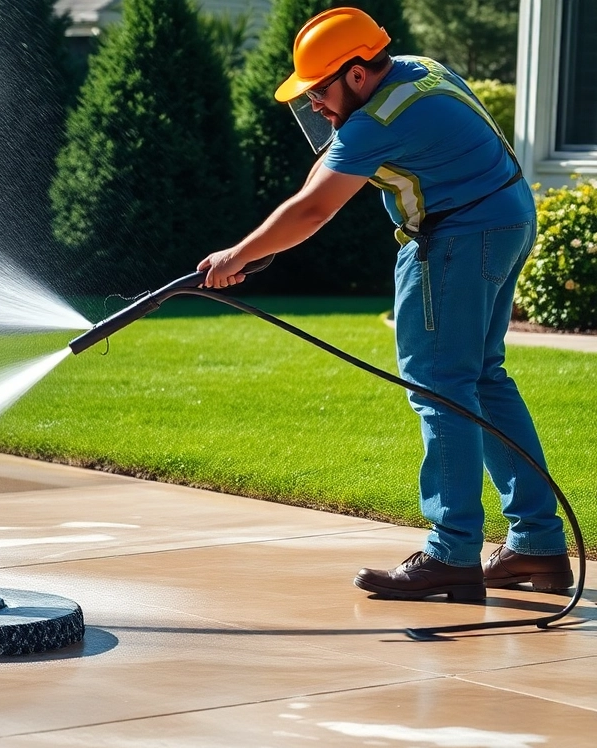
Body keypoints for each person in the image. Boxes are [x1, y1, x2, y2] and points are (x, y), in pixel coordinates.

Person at [196, 7, 572, 601]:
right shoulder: (419, 72)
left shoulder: (377, 122)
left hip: (455, 240)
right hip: (505, 218)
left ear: (354, 74)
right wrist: (265, 245)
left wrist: (238, 253)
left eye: (318, 90)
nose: (314, 105)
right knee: (482, 379)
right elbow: (331, 162)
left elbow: (315, 209)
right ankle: (537, 546)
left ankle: (451, 554)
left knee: (441, 388)